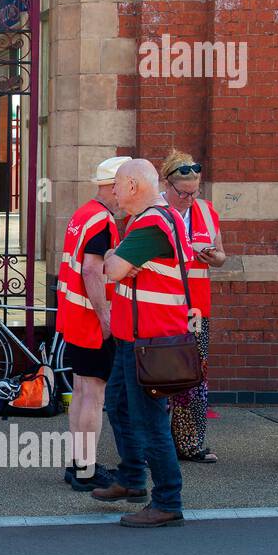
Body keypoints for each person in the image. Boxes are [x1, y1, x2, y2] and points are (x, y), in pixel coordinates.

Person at [95, 158, 192, 528]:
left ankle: (167, 500)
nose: (113, 193)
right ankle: (132, 478)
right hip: (133, 340)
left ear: (134, 186)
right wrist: (116, 258)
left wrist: (114, 259)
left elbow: (113, 269)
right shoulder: (149, 221)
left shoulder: (152, 223)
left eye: (117, 185)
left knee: (150, 422)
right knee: (119, 406)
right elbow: (117, 264)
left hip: (149, 341)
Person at [54, 156, 129, 492]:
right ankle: (86, 469)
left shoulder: (83, 214)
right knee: (93, 396)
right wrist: (106, 317)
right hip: (90, 320)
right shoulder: (103, 221)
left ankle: (77, 465)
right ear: (116, 186)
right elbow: (90, 270)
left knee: (82, 391)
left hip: (73, 315)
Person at [159, 150, 226, 464]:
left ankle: (190, 443)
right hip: (159, 309)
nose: (189, 198)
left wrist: (216, 258)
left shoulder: (206, 211)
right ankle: (155, 445)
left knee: (194, 374)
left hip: (196, 309)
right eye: (183, 192)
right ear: (167, 185)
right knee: (158, 376)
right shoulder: (151, 211)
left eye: (194, 191)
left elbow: (222, 254)